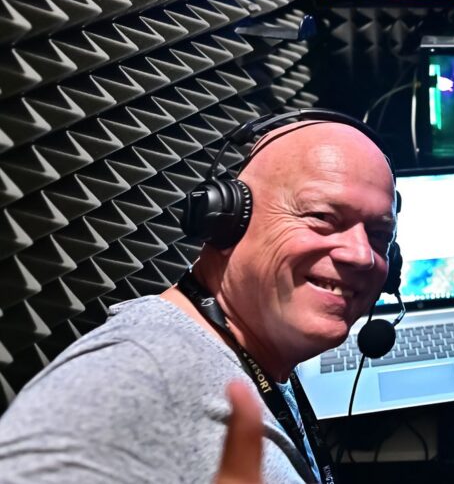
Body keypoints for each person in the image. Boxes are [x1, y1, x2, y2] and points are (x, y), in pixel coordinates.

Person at [0, 116, 399, 482]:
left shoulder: (255, 348)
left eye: (379, 235)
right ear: (225, 219)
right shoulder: (140, 370)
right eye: (322, 217)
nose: (361, 255)